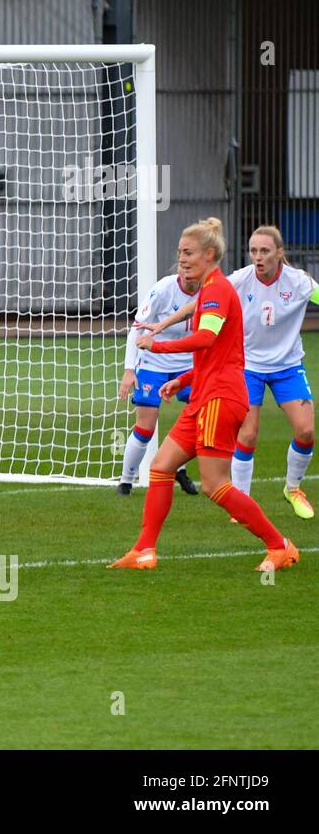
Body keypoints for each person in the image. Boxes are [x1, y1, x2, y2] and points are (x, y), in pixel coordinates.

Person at [112, 217, 299, 573]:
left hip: (220, 399)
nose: (181, 258)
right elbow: (217, 355)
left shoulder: (216, 290)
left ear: (209, 254)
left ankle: (281, 546)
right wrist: (182, 380)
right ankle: (144, 550)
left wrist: (158, 347)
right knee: (162, 467)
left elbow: (207, 340)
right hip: (203, 395)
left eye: (188, 252)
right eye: (179, 252)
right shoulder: (211, 289)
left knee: (215, 484)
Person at [226, 226, 318, 518]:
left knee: (306, 430)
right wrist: (167, 321)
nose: (257, 257)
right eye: (253, 251)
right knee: (248, 434)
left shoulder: (299, 282)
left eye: (264, 251)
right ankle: (240, 500)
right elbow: (208, 299)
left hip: (288, 366)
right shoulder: (240, 280)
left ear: (280, 253)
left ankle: (292, 489)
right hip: (248, 367)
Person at [116, 267, 202, 497]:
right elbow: (138, 326)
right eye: (183, 265)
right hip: (153, 362)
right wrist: (128, 369)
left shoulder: (211, 291)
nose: (188, 271)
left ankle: (178, 467)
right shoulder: (164, 289)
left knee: (204, 416)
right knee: (145, 428)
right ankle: (125, 483)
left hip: (188, 364)